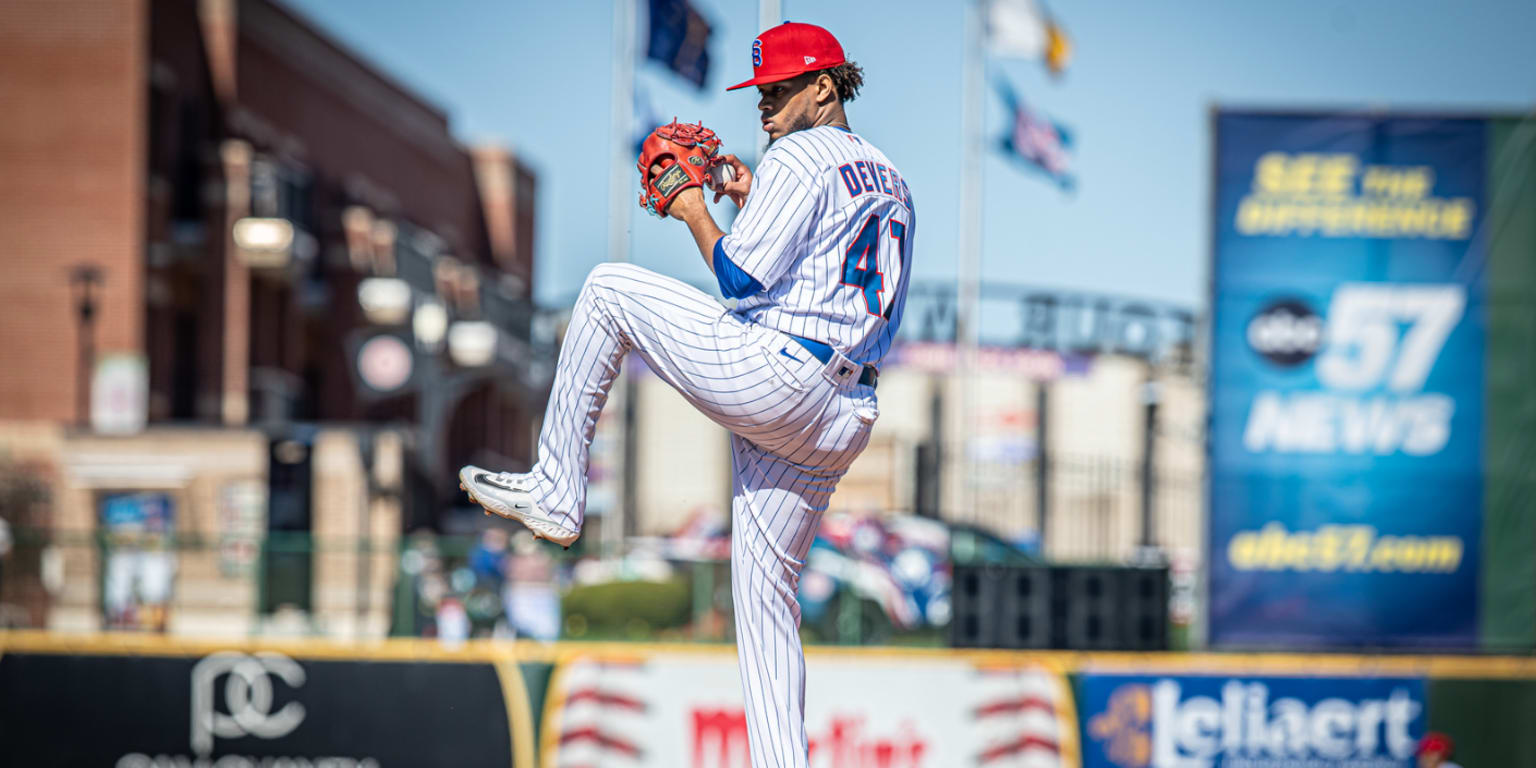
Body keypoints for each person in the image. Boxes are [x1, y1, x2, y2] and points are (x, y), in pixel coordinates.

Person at [459, 21, 914, 768]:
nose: (764, 103)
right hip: (844, 412)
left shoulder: (798, 155)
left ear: (825, 87)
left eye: (779, 88)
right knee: (766, 601)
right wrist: (743, 195)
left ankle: (558, 490)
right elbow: (804, 279)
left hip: (783, 379)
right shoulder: (890, 179)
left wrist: (694, 207)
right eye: (761, 90)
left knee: (607, 291)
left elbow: (740, 282)